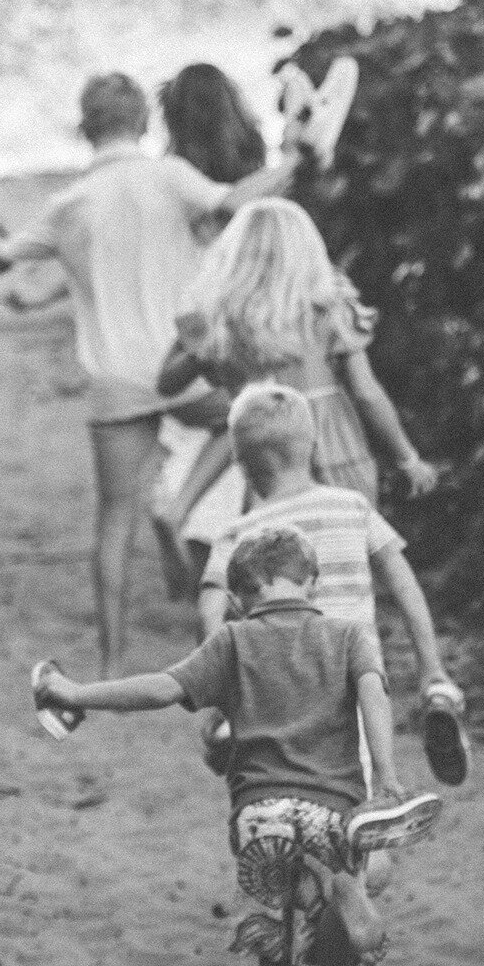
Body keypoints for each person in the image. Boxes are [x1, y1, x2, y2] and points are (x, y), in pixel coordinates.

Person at [32, 522, 442, 966]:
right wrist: (387, 776)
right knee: (347, 893)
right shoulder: (349, 636)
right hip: (332, 809)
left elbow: (159, 689)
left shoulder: (232, 641)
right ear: (311, 582)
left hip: (259, 816)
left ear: (240, 597)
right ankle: (347, 888)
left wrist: (74, 693)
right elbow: (374, 696)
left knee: (275, 940)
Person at [0, 72, 306, 674]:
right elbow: (234, 201)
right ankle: (185, 511)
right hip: (182, 366)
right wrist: (295, 159)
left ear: (85, 128)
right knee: (247, 422)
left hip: (116, 382)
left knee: (113, 519)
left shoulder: (66, 205)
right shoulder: (170, 177)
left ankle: (111, 663)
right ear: (145, 123)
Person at [197, 382, 470, 787]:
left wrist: (220, 696)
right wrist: (431, 668)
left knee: (285, 790)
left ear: (240, 461)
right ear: (313, 446)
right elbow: (405, 586)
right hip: (355, 682)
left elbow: (211, 607)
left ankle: (235, 740)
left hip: (277, 696)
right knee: (360, 791)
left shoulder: (238, 533)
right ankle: (438, 701)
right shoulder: (351, 506)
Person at [151, 198, 438, 572]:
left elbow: (167, 384)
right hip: (330, 443)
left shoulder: (220, 318)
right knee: (344, 552)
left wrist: (198, 347)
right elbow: (366, 393)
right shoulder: (327, 307)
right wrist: (407, 457)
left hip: (263, 445)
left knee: (274, 557)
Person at [150, 64, 269, 598]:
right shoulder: (245, 179)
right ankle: (186, 521)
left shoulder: (172, 176)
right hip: (228, 317)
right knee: (241, 426)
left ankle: (184, 524)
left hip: (185, 320)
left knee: (200, 437)